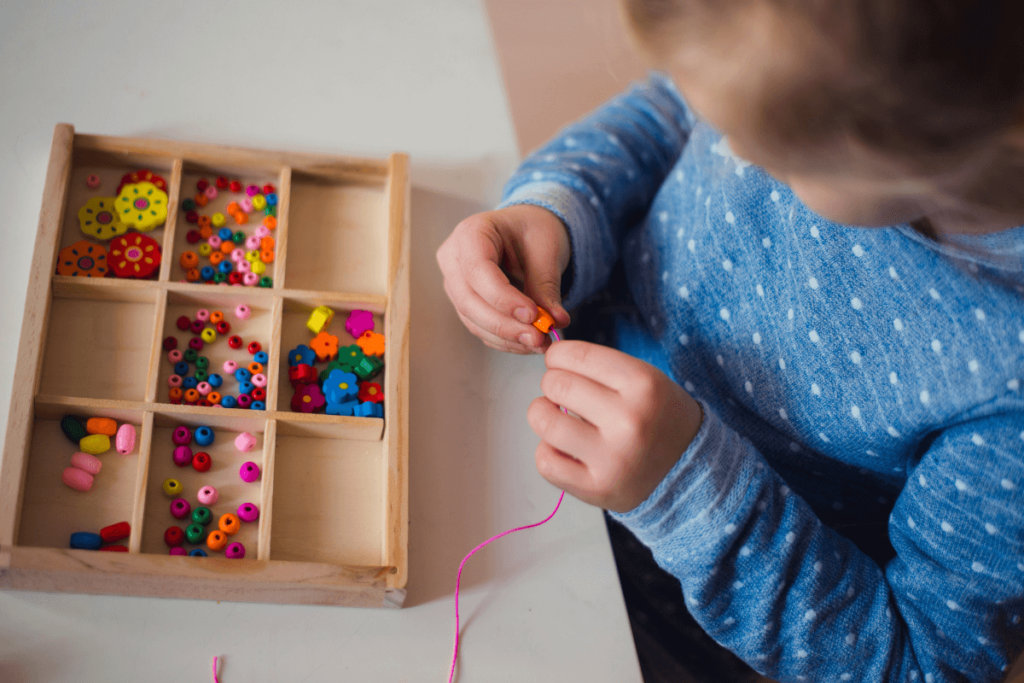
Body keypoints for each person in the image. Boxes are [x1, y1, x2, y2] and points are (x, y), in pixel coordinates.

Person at [436, 0, 1024, 680]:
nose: (723, 143)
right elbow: (673, 108)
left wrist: (685, 484)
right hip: (536, 421)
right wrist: (554, 212)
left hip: (713, 600)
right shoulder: (796, 87)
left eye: (764, 145)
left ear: (924, 145)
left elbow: (910, 664)